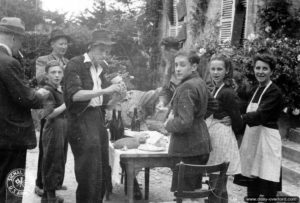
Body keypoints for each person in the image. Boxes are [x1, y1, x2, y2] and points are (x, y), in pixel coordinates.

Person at [64, 28, 124, 203]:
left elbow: (104, 103)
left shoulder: (100, 68)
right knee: (88, 171)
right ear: (90, 47)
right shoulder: (75, 64)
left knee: (101, 168)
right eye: (101, 49)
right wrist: (106, 89)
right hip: (80, 120)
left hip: (97, 118)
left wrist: (118, 96)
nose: (104, 53)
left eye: (106, 50)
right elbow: (74, 95)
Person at [0, 17, 49, 202]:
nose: (20, 45)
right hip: (12, 136)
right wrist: (41, 94)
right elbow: (26, 98)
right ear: (13, 38)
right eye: (21, 40)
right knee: (13, 185)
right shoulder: (9, 62)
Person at [164, 51, 211, 198]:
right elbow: (212, 105)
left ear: (194, 66)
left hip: (188, 147)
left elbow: (184, 122)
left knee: (184, 194)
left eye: (182, 65)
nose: (177, 69)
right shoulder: (199, 82)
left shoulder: (187, 87)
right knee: (192, 194)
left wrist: (168, 124)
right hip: (200, 145)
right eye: (176, 65)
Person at [237, 52, 283, 200]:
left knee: (268, 186)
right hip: (253, 139)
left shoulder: (274, 92)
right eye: (258, 68)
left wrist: (239, 118)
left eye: (265, 68)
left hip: (267, 141)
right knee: (252, 185)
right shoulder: (255, 89)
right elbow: (242, 104)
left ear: (272, 71)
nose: (260, 72)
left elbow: (260, 115)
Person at [34, 29, 71, 196]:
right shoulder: (43, 60)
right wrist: (58, 69)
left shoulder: (68, 61)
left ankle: (54, 183)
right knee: (46, 149)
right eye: (60, 43)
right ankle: (41, 184)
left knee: (59, 151)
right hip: (49, 103)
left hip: (61, 100)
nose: (64, 46)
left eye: (66, 44)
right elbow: (40, 78)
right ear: (52, 44)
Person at [205, 54, 243, 203]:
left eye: (219, 69)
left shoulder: (227, 92)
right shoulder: (216, 89)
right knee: (219, 184)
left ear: (226, 70)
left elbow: (238, 120)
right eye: (213, 69)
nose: (215, 72)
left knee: (217, 183)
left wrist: (230, 122)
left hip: (223, 138)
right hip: (216, 136)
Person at [40, 60, 67, 203]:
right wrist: (66, 103)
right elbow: (48, 114)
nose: (57, 75)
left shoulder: (59, 89)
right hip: (53, 127)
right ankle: (50, 197)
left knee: (58, 159)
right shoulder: (47, 90)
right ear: (47, 75)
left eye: (59, 72)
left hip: (62, 126)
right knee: (52, 160)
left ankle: (47, 197)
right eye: (53, 72)